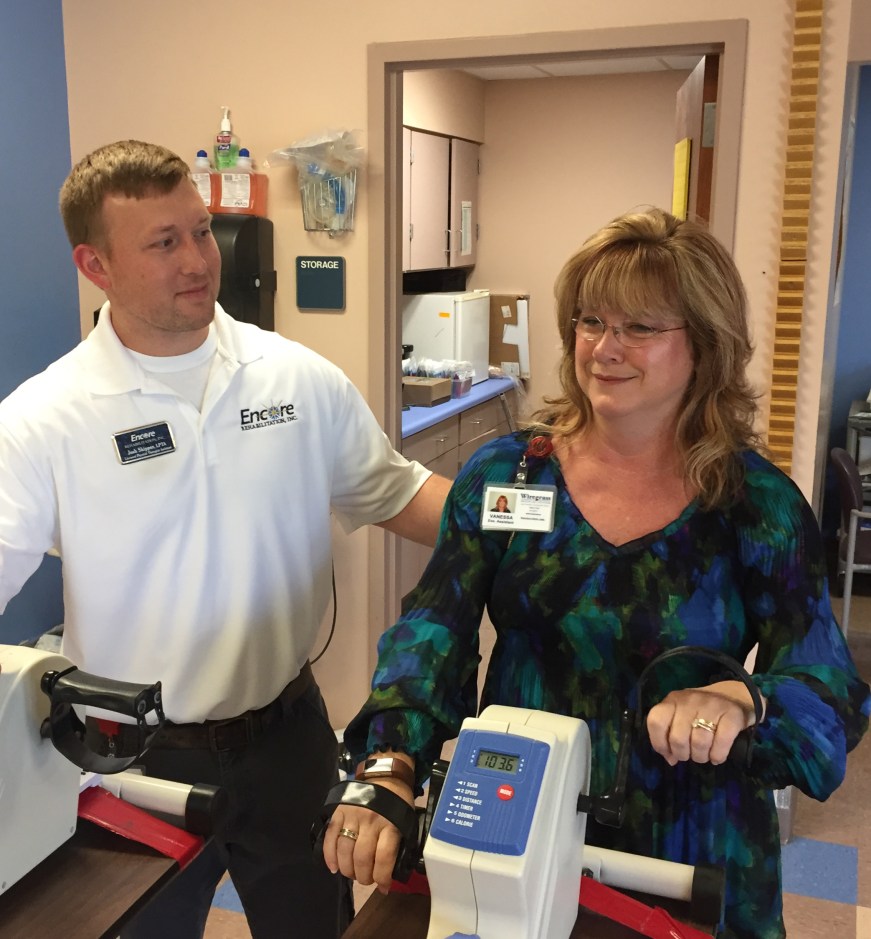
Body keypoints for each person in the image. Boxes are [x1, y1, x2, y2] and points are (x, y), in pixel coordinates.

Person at [323, 207, 871, 939]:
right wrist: (390, 761)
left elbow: (824, 686)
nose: (605, 348)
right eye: (589, 322)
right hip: (514, 821)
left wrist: (744, 700)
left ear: (703, 345)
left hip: (692, 848)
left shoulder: (752, 505)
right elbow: (434, 628)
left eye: (640, 327)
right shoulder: (508, 475)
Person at [0, 139, 450, 939]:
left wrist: (552, 528)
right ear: (94, 265)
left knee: (315, 927)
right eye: (163, 243)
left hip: (287, 738)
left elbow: (400, 494)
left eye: (201, 231)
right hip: (130, 759)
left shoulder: (294, 377)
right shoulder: (45, 416)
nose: (197, 259)